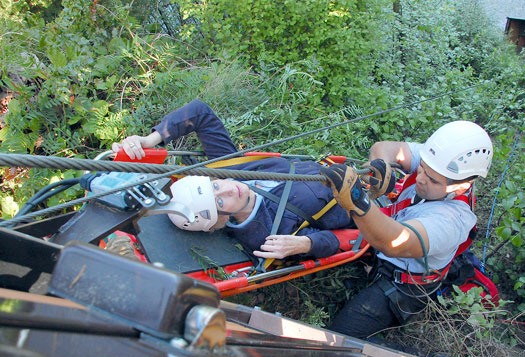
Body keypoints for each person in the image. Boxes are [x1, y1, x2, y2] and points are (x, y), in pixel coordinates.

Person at [112, 99, 387, 261]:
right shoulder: (265, 233)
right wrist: (306, 245)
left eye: (216, 186)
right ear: (219, 221)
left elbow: (199, 112)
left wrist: (150, 140)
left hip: (339, 171)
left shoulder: (228, 169)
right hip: (361, 208)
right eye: (220, 200)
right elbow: (331, 240)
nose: (230, 188)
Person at [319, 120, 493, 339]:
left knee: (339, 337)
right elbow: (387, 148)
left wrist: (357, 201)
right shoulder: (438, 164)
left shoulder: (451, 221)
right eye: (421, 169)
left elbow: (393, 242)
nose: (420, 179)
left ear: (461, 186)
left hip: (402, 285)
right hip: (385, 238)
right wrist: (381, 165)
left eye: (431, 180)